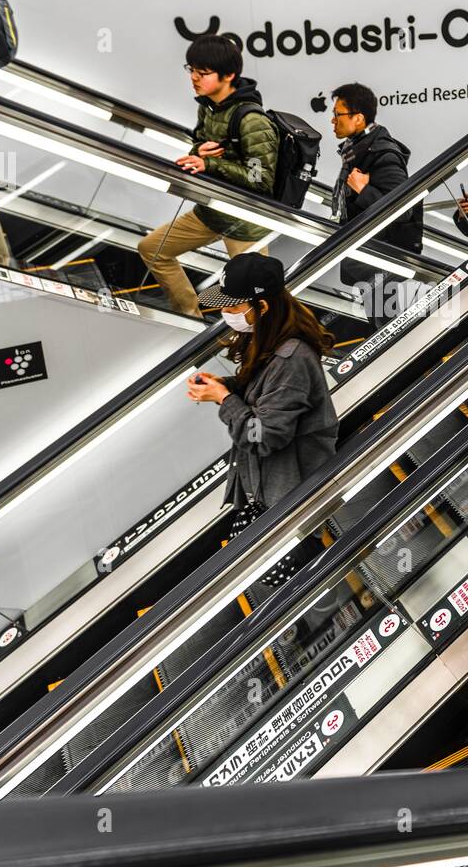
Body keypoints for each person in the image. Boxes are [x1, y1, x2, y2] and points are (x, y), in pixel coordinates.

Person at [188, 253, 338, 582]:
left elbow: (264, 435)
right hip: (272, 483)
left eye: (232, 308)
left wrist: (224, 399)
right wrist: (225, 386)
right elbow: (262, 390)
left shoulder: (291, 359)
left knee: (294, 574)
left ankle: (314, 601)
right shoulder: (270, 338)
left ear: (263, 307)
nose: (225, 314)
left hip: (292, 489)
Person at [139, 37, 279, 318]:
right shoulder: (208, 106)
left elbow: (260, 179)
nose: (194, 78)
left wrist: (210, 164)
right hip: (212, 210)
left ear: (229, 75)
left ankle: (269, 346)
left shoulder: (253, 121)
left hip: (244, 223)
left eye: (202, 73)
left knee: (258, 299)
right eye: (191, 70)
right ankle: (191, 319)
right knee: (152, 248)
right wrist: (198, 152)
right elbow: (201, 148)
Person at [330, 82, 422, 331]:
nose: (332, 120)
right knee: (378, 315)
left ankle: (399, 360)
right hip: (370, 249)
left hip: (381, 253)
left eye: (338, 114)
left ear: (358, 118)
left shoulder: (383, 155)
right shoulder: (357, 149)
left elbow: (403, 210)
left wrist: (363, 190)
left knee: (385, 322)